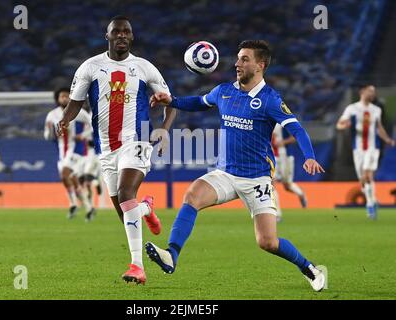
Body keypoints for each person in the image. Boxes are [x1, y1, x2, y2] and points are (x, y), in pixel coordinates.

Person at [146, 40, 326, 292]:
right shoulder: (224, 91)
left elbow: (296, 128)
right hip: (225, 173)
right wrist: (172, 101)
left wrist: (309, 156)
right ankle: (171, 255)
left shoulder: (270, 100)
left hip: (257, 179)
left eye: (244, 59)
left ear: (260, 65)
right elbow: (199, 102)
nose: (237, 64)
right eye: (238, 58)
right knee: (192, 195)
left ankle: (309, 268)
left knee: (267, 242)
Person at [57, 16, 177, 284]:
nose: (122, 35)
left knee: (125, 193)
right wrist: (65, 119)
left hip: (137, 141)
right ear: (107, 36)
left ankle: (137, 266)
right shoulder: (90, 67)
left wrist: (164, 129)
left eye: (126, 32)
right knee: (125, 212)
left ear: (131, 37)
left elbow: (172, 102)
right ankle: (146, 209)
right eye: (116, 32)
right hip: (106, 148)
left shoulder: (144, 68)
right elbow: (75, 102)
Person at [336, 84, 395, 220]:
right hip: (358, 149)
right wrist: (343, 125)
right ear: (362, 91)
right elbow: (339, 124)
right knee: (363, 180)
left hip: (373, 147)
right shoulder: (352, 108)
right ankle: (373, 199)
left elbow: (379, 127)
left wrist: (387, 139)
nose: (373, 93)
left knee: (367, 174)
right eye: (370, 91)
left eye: (374, 91)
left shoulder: (376, 110)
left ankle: (369, 206)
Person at [44, 87, 96, 220]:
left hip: (75, 150)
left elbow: (92, 125)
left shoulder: (78, 112)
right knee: (70, 179)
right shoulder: (52, 115)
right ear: (57, 99)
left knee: (65, 174)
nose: (64, 99)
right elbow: (47, 135)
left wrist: (82, 135)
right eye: (62, 96)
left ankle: (73, 204)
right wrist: (51, 133)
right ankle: (88, 207)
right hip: (61, 151)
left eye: (67, 96)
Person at [271, 124, 308, 221]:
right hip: (273, 157)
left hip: (285, 156)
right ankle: (277, 214)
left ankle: (301, 194)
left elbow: (295, 136)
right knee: (271, 185)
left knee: (287, 185)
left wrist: (283, 142)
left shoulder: (283, 123)